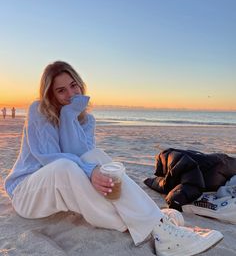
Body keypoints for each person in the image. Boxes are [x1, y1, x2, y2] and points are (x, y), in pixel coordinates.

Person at [4, 61, 223, 256]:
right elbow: (49, 158)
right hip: (27, 192)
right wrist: (69, 117)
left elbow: (82, 155)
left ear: (80, 84)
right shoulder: (39, 110)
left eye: (73, 85)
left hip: (59, 188)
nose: (70, 94)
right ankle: (156, 223)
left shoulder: (87, 120)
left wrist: (71, 118)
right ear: (51, 95)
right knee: (66, 166)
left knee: (94, 156)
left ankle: (157, 225)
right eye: (61, 91)